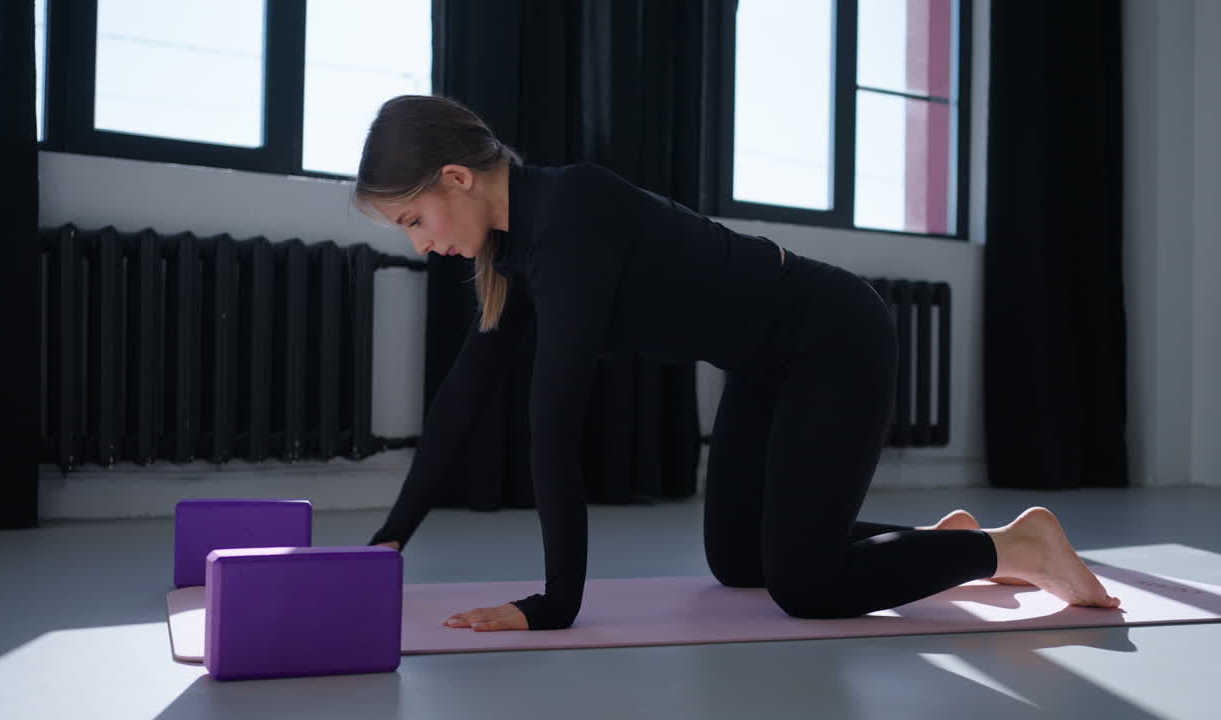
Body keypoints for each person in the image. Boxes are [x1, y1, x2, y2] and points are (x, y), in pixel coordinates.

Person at [354, 95, 1121, 632]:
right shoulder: (515, 255)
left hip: (833, 338)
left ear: (457, 177)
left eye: (414, 220)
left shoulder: (572, 214)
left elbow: (552, 423)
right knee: (738, 561)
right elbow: (465, 395)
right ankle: (935, 543)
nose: (421, 244)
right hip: (763, 363)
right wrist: (391, 538)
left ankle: (1014, 545)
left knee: (807, 588)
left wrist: (555, 604)